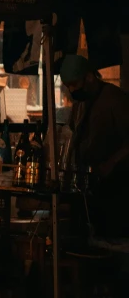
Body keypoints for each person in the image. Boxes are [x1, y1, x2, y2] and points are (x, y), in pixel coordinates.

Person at [61, 55, 129, 237]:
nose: (72, 90)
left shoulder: (114, 99)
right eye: (68, 86)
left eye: (75, 84)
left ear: (89, 77)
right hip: (87, 184)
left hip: (115, 186)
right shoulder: (80, 103)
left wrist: (111, 162)